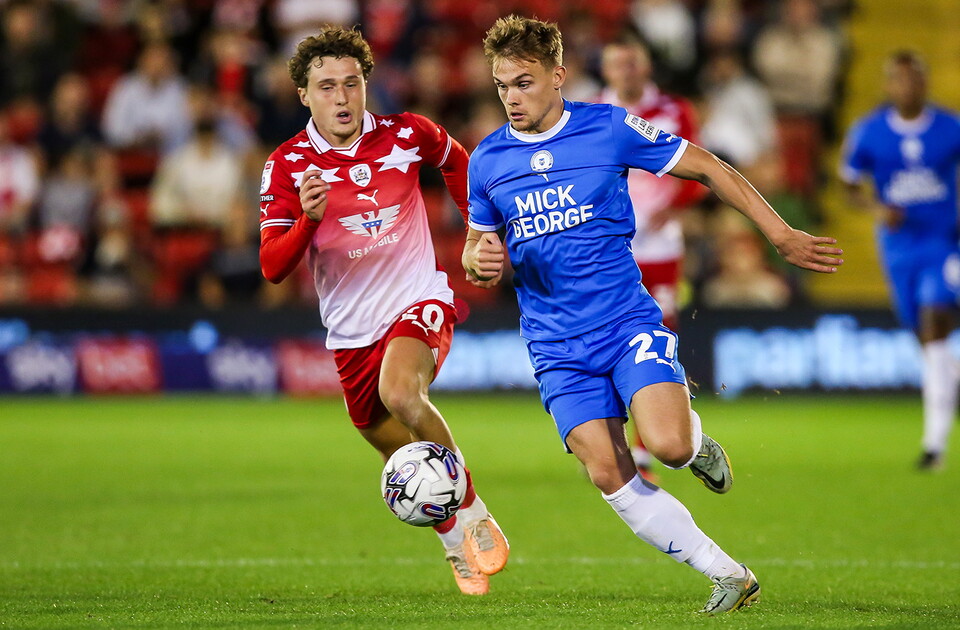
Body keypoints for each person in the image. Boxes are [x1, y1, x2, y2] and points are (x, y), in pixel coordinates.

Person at [463, 15, 842, 614]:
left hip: (625, 324)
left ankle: (695, 443)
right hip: (555, 346)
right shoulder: (486, 161)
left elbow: (710, 168)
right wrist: (479, 262)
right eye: (502, 84)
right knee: (609, 473)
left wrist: (779, 233)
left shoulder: (609, 127)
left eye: (524, 82)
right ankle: (728, 574)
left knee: (664, 446)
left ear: (557, 76)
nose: (511, 96)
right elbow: (477, 251)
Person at [257, 26, 508, 595]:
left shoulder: (407, 134)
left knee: (402, 394)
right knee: (396, 448)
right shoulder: (287, 165)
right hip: (349, 332)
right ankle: (453, 540)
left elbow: (457, 161)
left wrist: (475, 230)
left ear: (367, 84)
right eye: (326, 87)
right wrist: (307, 220)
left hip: (418, 302)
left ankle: (474, 510)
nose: (341, 98)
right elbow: (273, 266)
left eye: (351, 83)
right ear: (303, 94)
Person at [840, 50, 960, 471]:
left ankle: (933, 447)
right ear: (889, 86)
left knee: (934, 323)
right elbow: (849, 185)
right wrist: (876, 208)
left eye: (916, 80)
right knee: (926, 341)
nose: (908, 88)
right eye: (900, 81)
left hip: (944, 242)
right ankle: (947, 398)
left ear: (925, 84)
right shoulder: (870, 131)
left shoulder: (950, 127)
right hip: (898, 248)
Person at [598, 34, 707, 480]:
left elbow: (701, 171)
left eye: (633, 62)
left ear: (646, 67)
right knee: (607, 337)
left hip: (661, 248)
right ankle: (616, 439)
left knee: (659, 336)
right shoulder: (591, 113)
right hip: (610, 248)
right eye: (617, 62)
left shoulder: (676, 111)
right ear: (605, 70)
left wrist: (674, 206)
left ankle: (646, 446)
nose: (626, 70)